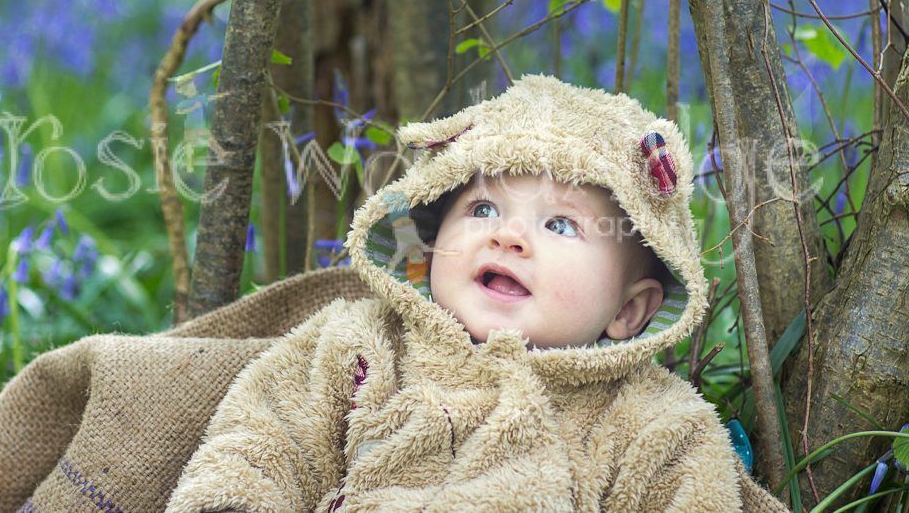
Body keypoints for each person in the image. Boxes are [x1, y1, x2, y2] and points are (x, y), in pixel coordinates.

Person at [165, 74, 788, 512]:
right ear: (429, 241)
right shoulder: (362, 345)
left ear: (628, 310)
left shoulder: (652, 423)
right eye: (484, 206)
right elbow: (266, 438)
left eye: (561, 224)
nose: (509, 236)